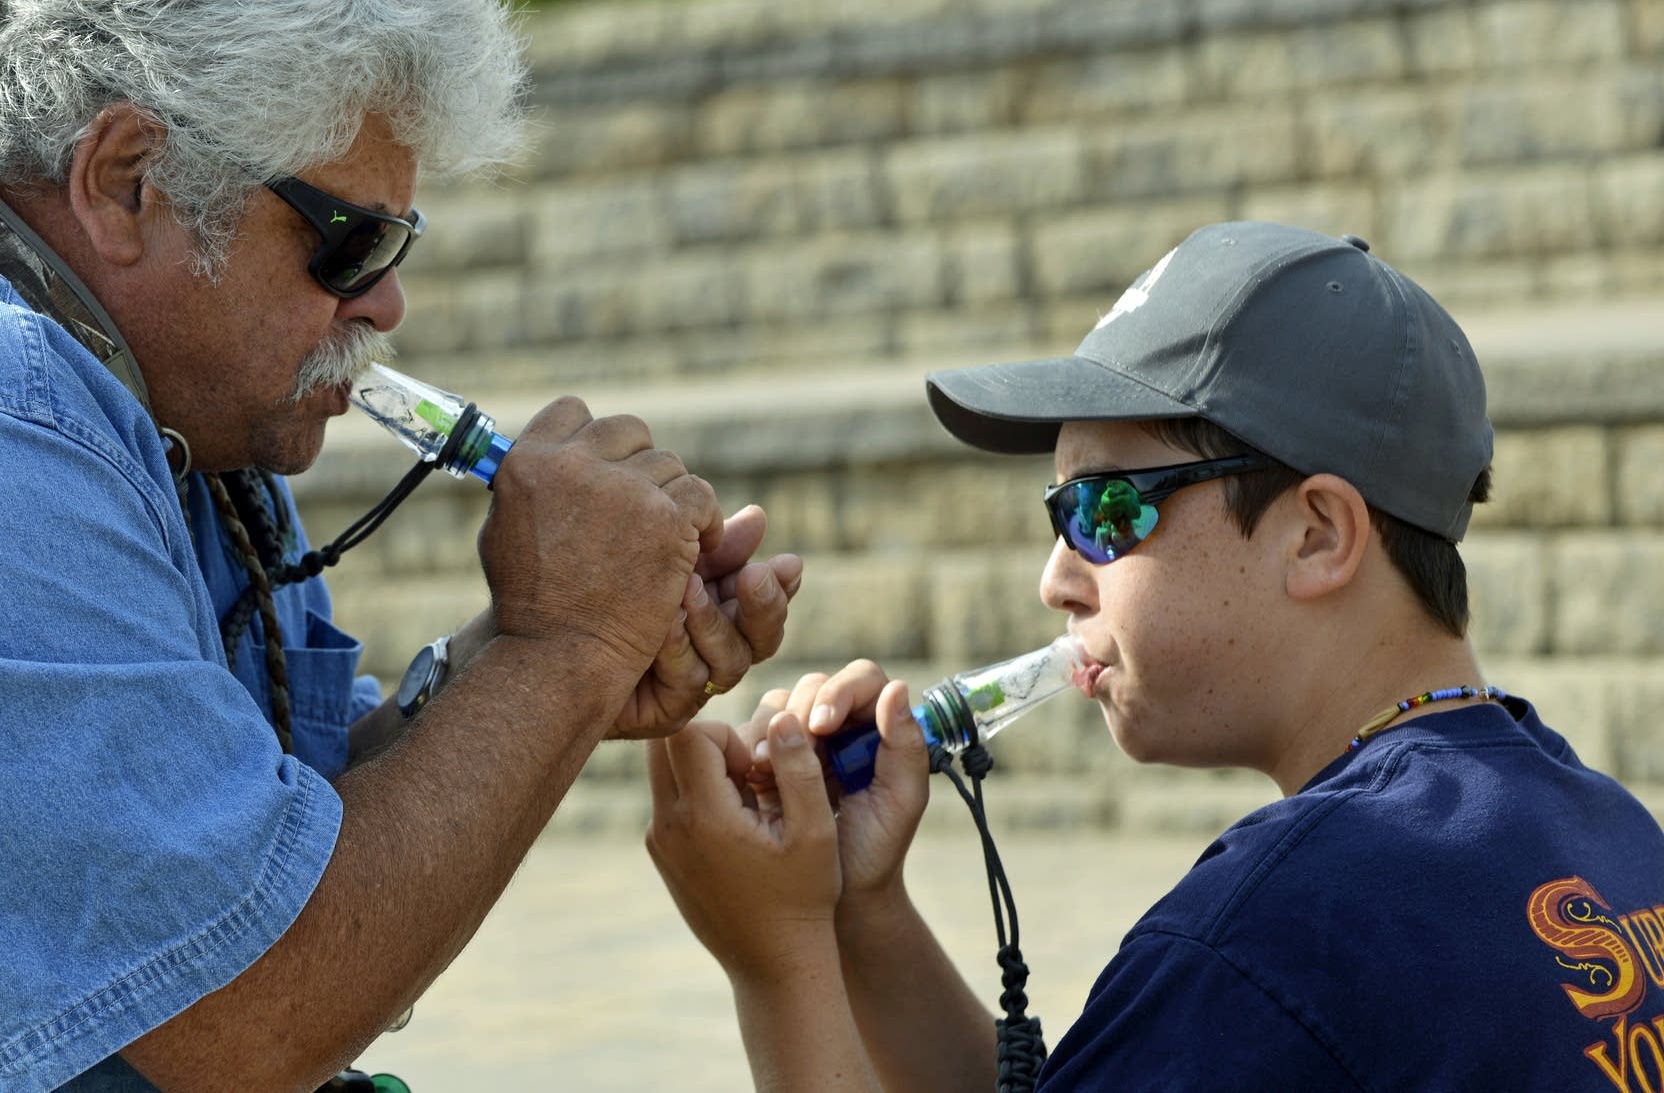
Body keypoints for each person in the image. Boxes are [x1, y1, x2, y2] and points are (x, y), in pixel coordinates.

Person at [0, 0, 801, 1090]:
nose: (383, 301)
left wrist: (518, 654)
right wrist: (567, 651)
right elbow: (247, 1017)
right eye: (349, 240)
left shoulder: (100, 349)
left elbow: (266, 852)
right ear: (127, 181)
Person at [646, 221, 1664, 1091]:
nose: (1055, 576)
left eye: (1103, 507)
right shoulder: (1604, 828)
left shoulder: (1274, 935)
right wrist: (857, 910)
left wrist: (776, 961)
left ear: (1316, 534)